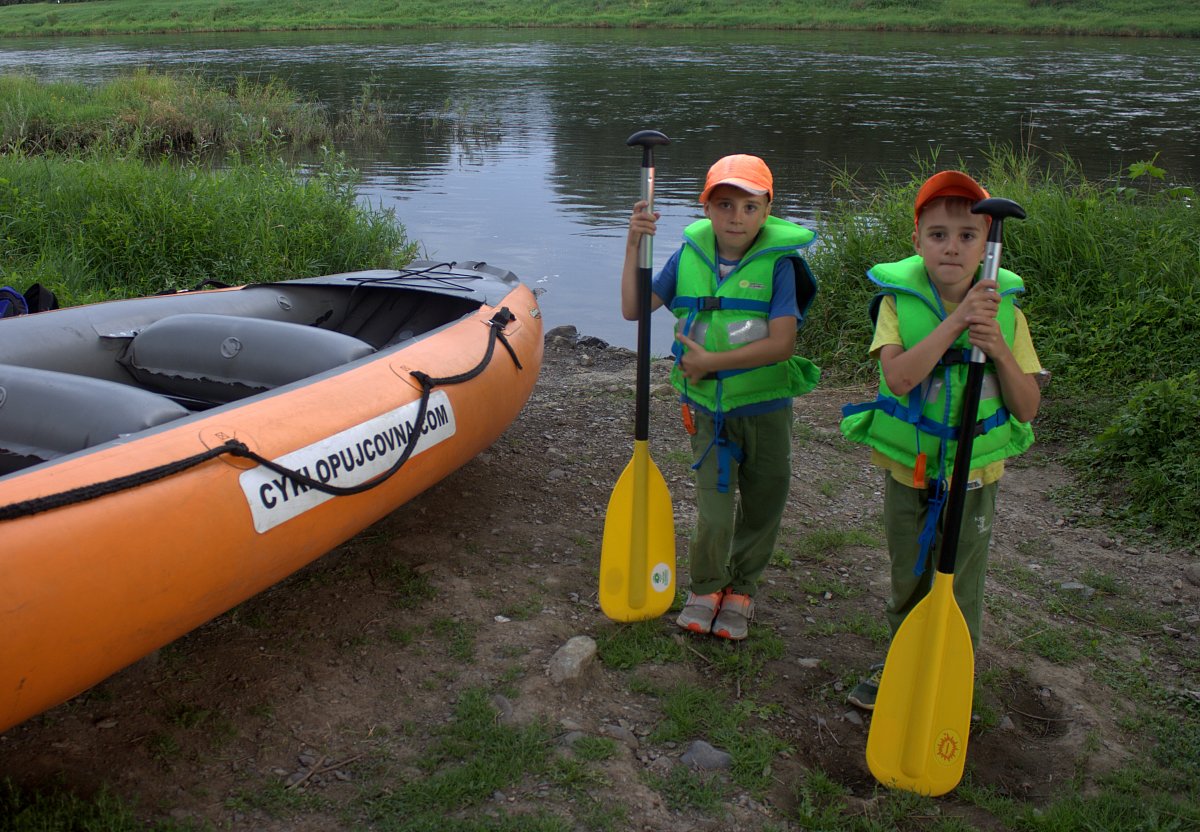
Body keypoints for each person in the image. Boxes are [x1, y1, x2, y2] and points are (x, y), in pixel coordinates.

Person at [839, 171, 1043, 708]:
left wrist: (997, 346)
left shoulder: (1007, 316)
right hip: (911, 471)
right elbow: (899, 378)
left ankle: (951, 675)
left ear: (985, 245)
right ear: (917, 242)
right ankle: (901, 663)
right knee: (909, 574)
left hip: (974, 476)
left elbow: (1027, 408)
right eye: (938, 235)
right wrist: (957, 323)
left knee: (961, 582)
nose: (951, 246)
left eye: (967, 235)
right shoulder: (896, 306)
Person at [621, 153, 819, 640]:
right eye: (725, 204)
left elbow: (782, 344)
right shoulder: (686, 257)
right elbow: (632, 309)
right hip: (707, 410)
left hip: (766, 408)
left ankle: (742, 588)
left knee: (764, 502)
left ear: (767, 210)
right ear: (706, 207)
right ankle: (707, 587)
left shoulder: (781, 266)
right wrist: (633, 243)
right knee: (713, 510)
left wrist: (712, 362)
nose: (736, 217)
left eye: (750, 206)